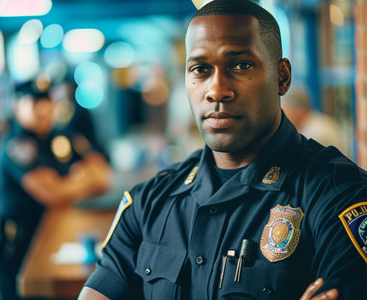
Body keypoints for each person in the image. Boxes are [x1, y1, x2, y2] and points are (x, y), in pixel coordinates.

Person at [78, 1, 367, 299]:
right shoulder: (148, 202)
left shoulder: (339, 195)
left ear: (282, 77)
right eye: (201, 69)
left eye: (240, 65)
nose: (216, 90)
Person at [0, 77, 112, 300]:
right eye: (35, 102)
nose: (43, 108)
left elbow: (102, 174)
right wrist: (82, 180)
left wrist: (67, 184)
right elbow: (51, 194)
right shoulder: (17, 145)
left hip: (55, 234)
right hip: (22, 243)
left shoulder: (61, 135)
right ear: (17, 106)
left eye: (47, 101)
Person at [281, 87, 347, 154]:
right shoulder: (313, 123)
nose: (285, 116)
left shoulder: (315, 132)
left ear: (299, 111)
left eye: (287, 110)